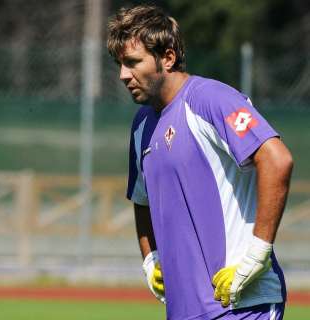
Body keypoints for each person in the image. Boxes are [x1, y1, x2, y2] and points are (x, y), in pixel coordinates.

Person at [107, 5, 293, 320]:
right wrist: (150, 259)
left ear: (167, 57)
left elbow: (277, 160)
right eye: (120, 64)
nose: (123, 75)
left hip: (242, 305)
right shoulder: (142, 125)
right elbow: (142, 200)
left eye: (132, 62)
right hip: (184, 311)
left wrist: (256, 257)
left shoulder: (210, 99)